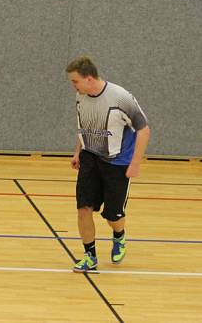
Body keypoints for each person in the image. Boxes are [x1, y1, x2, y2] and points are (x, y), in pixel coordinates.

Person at [66, 57, 150, 272]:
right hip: (90, 158)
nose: (73, 85)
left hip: (118, 163)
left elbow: (144, 129)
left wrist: (136, 163)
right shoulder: (80, 97)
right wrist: (78, 151)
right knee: (83, 208)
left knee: (113, 216)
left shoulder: (121, 98)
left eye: (75, 81)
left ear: (89, 79)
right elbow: (82, 126)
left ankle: (119, 235)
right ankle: (89, 256)